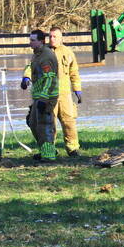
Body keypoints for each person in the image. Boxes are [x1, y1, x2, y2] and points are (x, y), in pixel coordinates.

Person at [21, 29, 59, 162]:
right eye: (30, 40)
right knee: (32, 123)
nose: (30, 43)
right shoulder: (36, 54)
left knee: (44, 125)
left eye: (33, 40)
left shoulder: (46, 56)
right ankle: (46, 149)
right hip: (38, 96)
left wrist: (44, 99)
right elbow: (31, 67)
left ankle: (49, 155)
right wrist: (26, 78)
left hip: (47, 97)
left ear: (41, 41)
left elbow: (50, 79)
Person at [48, 27, 82, 157]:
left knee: (69, 121)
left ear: (61, 38)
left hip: (65, 95)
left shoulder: (68, 52)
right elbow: (31, 66)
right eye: (50, 36)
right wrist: (26, 76)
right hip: (49, 95)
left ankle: (73, 148)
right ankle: (49, 150)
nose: (52, 39)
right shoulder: (42, 52)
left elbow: (74, 73)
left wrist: (77, 89)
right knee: (49, 123)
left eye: (55, 36)